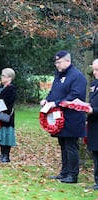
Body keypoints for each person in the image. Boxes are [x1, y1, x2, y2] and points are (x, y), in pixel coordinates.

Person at [40, 50, 87, 183]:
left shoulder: (77, 76)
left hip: (72, 118)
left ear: (67, 61)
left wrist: (56, 103)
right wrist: (47, 100)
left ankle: (73, 175)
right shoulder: (59, 76)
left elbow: (74, 96)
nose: (57, 65)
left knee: (71, 146)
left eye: (59, 62)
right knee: (63, 145)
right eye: (56, 62)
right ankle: (64, 172)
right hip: (58, 117)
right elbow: (54, 92)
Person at [85, 58, 98, 190]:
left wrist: (93, 110)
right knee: (95, 153)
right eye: (93, 69)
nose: (94, 72)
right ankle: (97, 181)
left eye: (97, 70)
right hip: (94, 124)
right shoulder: (94, 84)